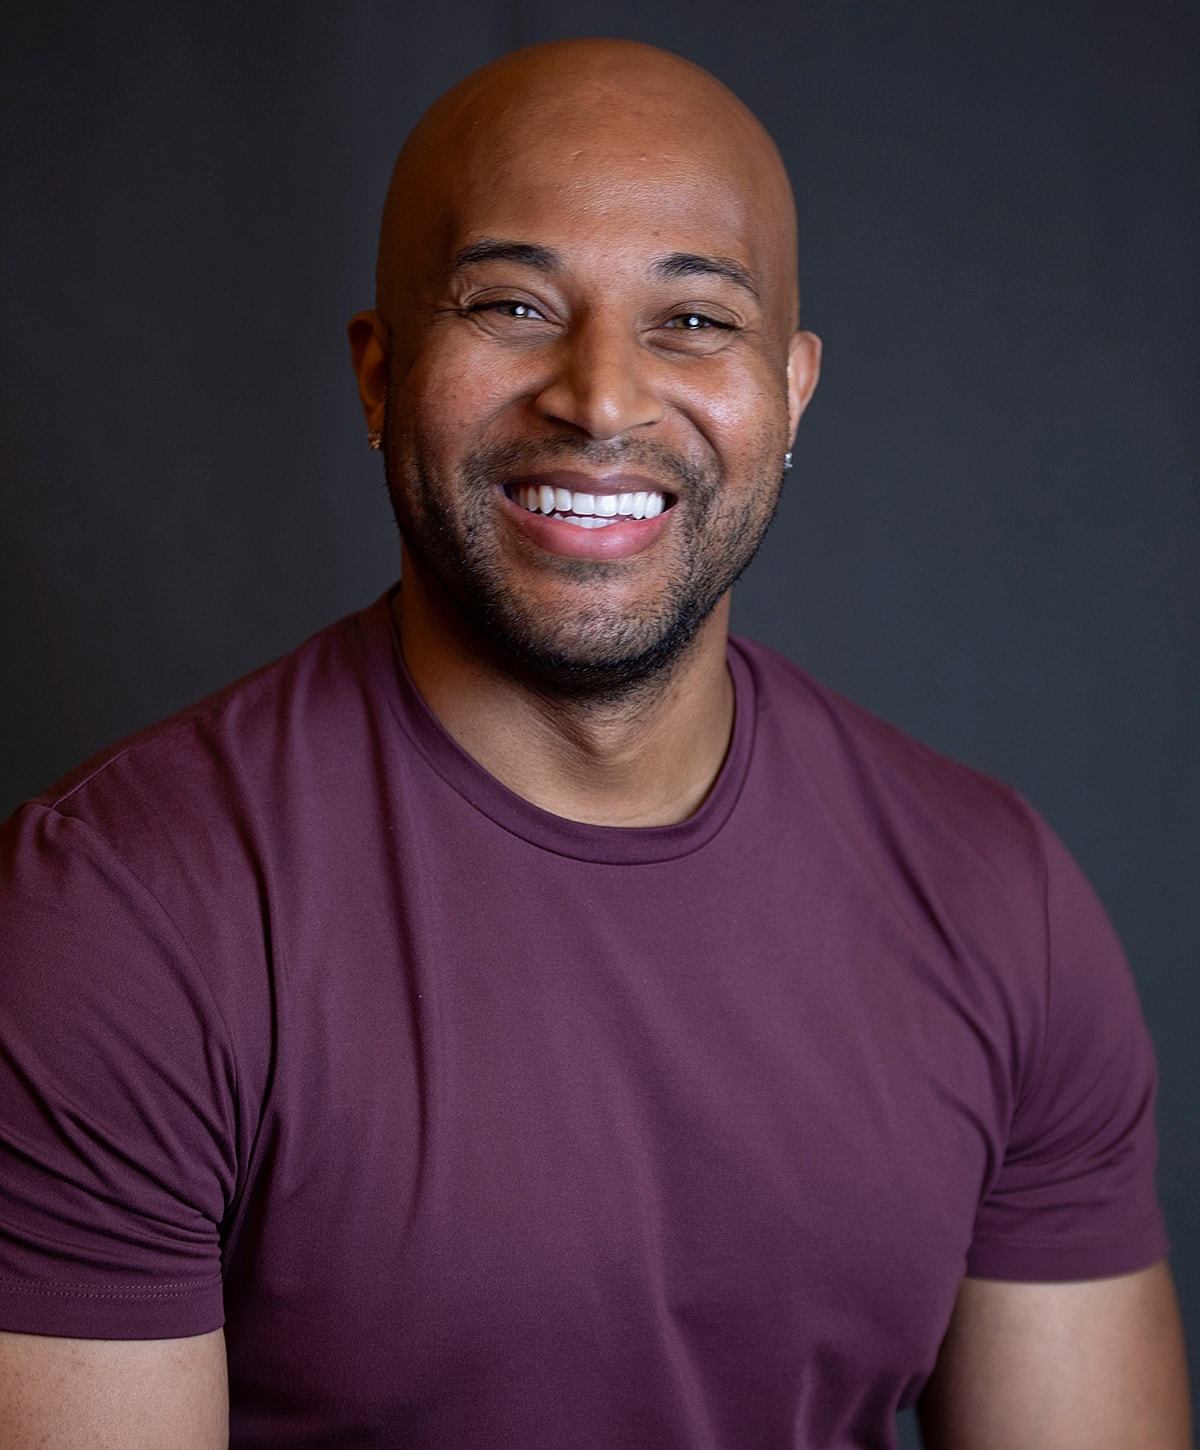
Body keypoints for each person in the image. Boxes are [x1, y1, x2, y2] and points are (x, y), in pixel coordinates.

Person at [0, 36, 1189, 1449]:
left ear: (793, 393)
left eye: (694, 320)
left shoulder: (999, 901)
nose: (603, 398)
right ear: (381, 375)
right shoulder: (118, 916)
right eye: (510, 303)